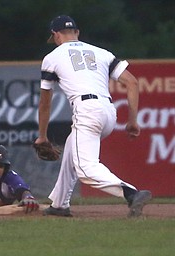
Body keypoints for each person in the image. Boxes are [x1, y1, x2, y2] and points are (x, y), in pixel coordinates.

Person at [34, 15, 151, 217]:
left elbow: (45, 103)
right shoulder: (102, 53)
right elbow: (132, 83)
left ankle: (131, 194)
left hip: (86, 109)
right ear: (77, 33)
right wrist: (132, 121)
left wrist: (42, 135)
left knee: (85, 168)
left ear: (55, 35)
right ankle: (60, 205)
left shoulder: (52, 57)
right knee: (72, 148)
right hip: (108, 112)